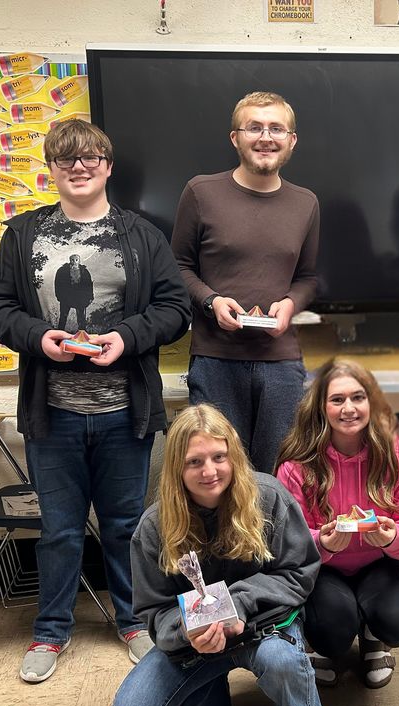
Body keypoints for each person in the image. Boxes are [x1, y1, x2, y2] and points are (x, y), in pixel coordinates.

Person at [0, 119, 191, 682]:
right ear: (51, 168)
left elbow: (175, 308)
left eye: (90, 157)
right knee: (60, 529)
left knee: (126, 524)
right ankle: (50, 633)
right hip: (54, 415)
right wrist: (38, 338)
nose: (79, 167)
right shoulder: (23, 234)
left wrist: (126, 337)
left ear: (108, 166)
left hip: (126, 410)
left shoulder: (142, 235)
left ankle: (133, 622)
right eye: (65, 159)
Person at [110, 404, 333, 706]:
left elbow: (299, 571)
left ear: (234, 457)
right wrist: (187, 630)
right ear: (176, 469)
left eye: (219, 457)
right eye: (194, 462)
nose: (210, 471)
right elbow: (153, 612)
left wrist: (238, 603)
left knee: (284, 664)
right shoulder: (154, 527)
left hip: (264, 628)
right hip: (195, 645)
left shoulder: (268, 496)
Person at [172, 91, 319, 474]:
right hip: (216, 359)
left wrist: (290, 304)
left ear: (292, 140)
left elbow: (307, 277)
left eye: (276, 128)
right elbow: (178, 266)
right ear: (235, 137)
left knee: (277, 475)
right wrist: (211, 302)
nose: (265, 137)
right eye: (254, 127)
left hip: (281, 363)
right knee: (218, 476)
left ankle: (270, 539)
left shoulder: (306, 203)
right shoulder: (201, 192)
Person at [276, 358, 399, 688]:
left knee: (398, 621)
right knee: (333, 629)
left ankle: (374, 636)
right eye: (337, 399)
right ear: (321, 406)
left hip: (377, 563)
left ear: (372, 401)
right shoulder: (296, 465)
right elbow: (286, 546)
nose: (349, 408)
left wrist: (391, 538)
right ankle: (321, 641)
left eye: (358, 397)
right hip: (322, 570)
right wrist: (322, 543)